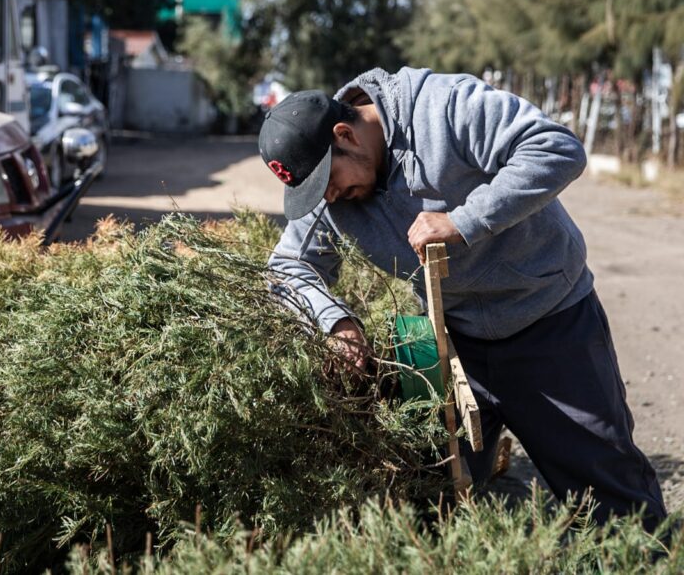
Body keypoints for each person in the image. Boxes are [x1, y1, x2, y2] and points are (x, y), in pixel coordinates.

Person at [260, 67, 667, 530]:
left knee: (613, 502)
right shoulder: (332, 197)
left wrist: (464, 221)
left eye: (326, 181)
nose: (328, 197)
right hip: (452, 341)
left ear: (345, 134)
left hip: (551, 322)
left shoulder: (443, 106)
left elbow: (556, 148)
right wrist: (336, 322)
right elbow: (290, 265)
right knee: (430, 502)